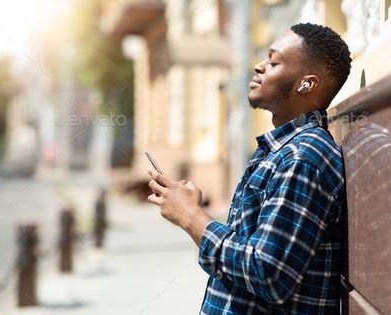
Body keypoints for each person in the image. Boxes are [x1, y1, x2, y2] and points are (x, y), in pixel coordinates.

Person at [147, 23, 352, 314]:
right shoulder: (284, 150)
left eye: (274, 61)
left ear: (306, 84)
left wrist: (192, 217)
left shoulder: (302, 158)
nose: (259, 67)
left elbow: (268, 273)